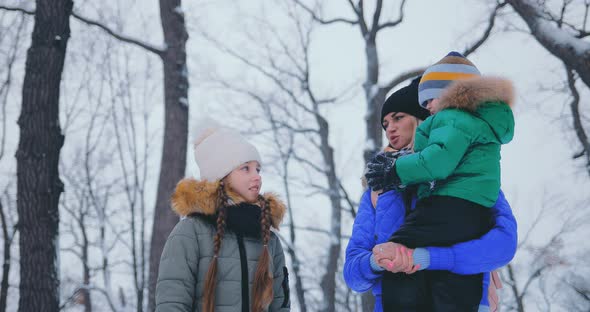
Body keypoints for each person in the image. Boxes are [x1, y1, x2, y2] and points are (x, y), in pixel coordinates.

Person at [344, 75, 517, 311]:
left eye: (398, 118)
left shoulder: (471, 177)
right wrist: (379, 260)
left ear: (423, 119)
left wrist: (428, 257)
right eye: (385, 124)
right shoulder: (378, 189)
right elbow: (353, 273)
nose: (390, 129)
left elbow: (503, 246)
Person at [155, 119, 290, 312]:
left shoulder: (269, 240)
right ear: (222, 175)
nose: (257, 176)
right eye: (246, 168)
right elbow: (171, 304)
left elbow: (280, 305)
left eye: (258, 169)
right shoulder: (190, 233)